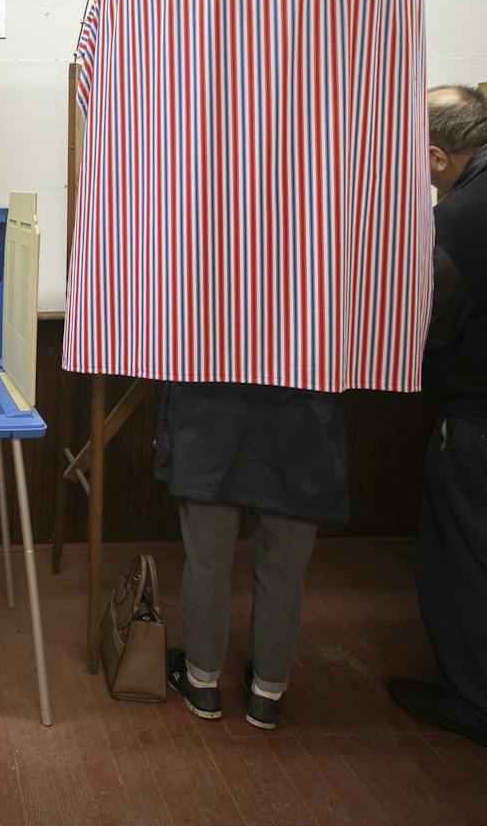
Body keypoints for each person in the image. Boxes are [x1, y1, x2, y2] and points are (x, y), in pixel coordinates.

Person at [157, 382, 348, 729]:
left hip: (209, 415)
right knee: (283, 571)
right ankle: (267, 694)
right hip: (301, 421)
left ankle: (202, 684)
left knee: (207, 563)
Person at [390, 83, 487, 748]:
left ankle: (472, 700)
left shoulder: (457, 218)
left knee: (463, 557)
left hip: (476, 416)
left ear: (437, 155)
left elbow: (424, 326)